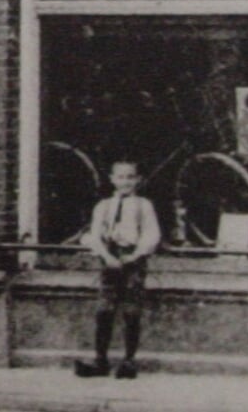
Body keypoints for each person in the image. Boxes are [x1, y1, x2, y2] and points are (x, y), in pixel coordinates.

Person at [74, 158, 161, 379]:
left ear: (138, 180)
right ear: (112, 179)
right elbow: (94, 235)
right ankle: (100, 360)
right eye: (120, 177)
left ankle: (129, 361)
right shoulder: (103, 207)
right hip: (109, 259)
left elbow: (152, 234)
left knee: (131, 311)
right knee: (104, 311)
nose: (125, 182)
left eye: (130, 177)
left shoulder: (144, 205)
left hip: (133, 261)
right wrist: (106, 256)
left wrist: (135, 255)